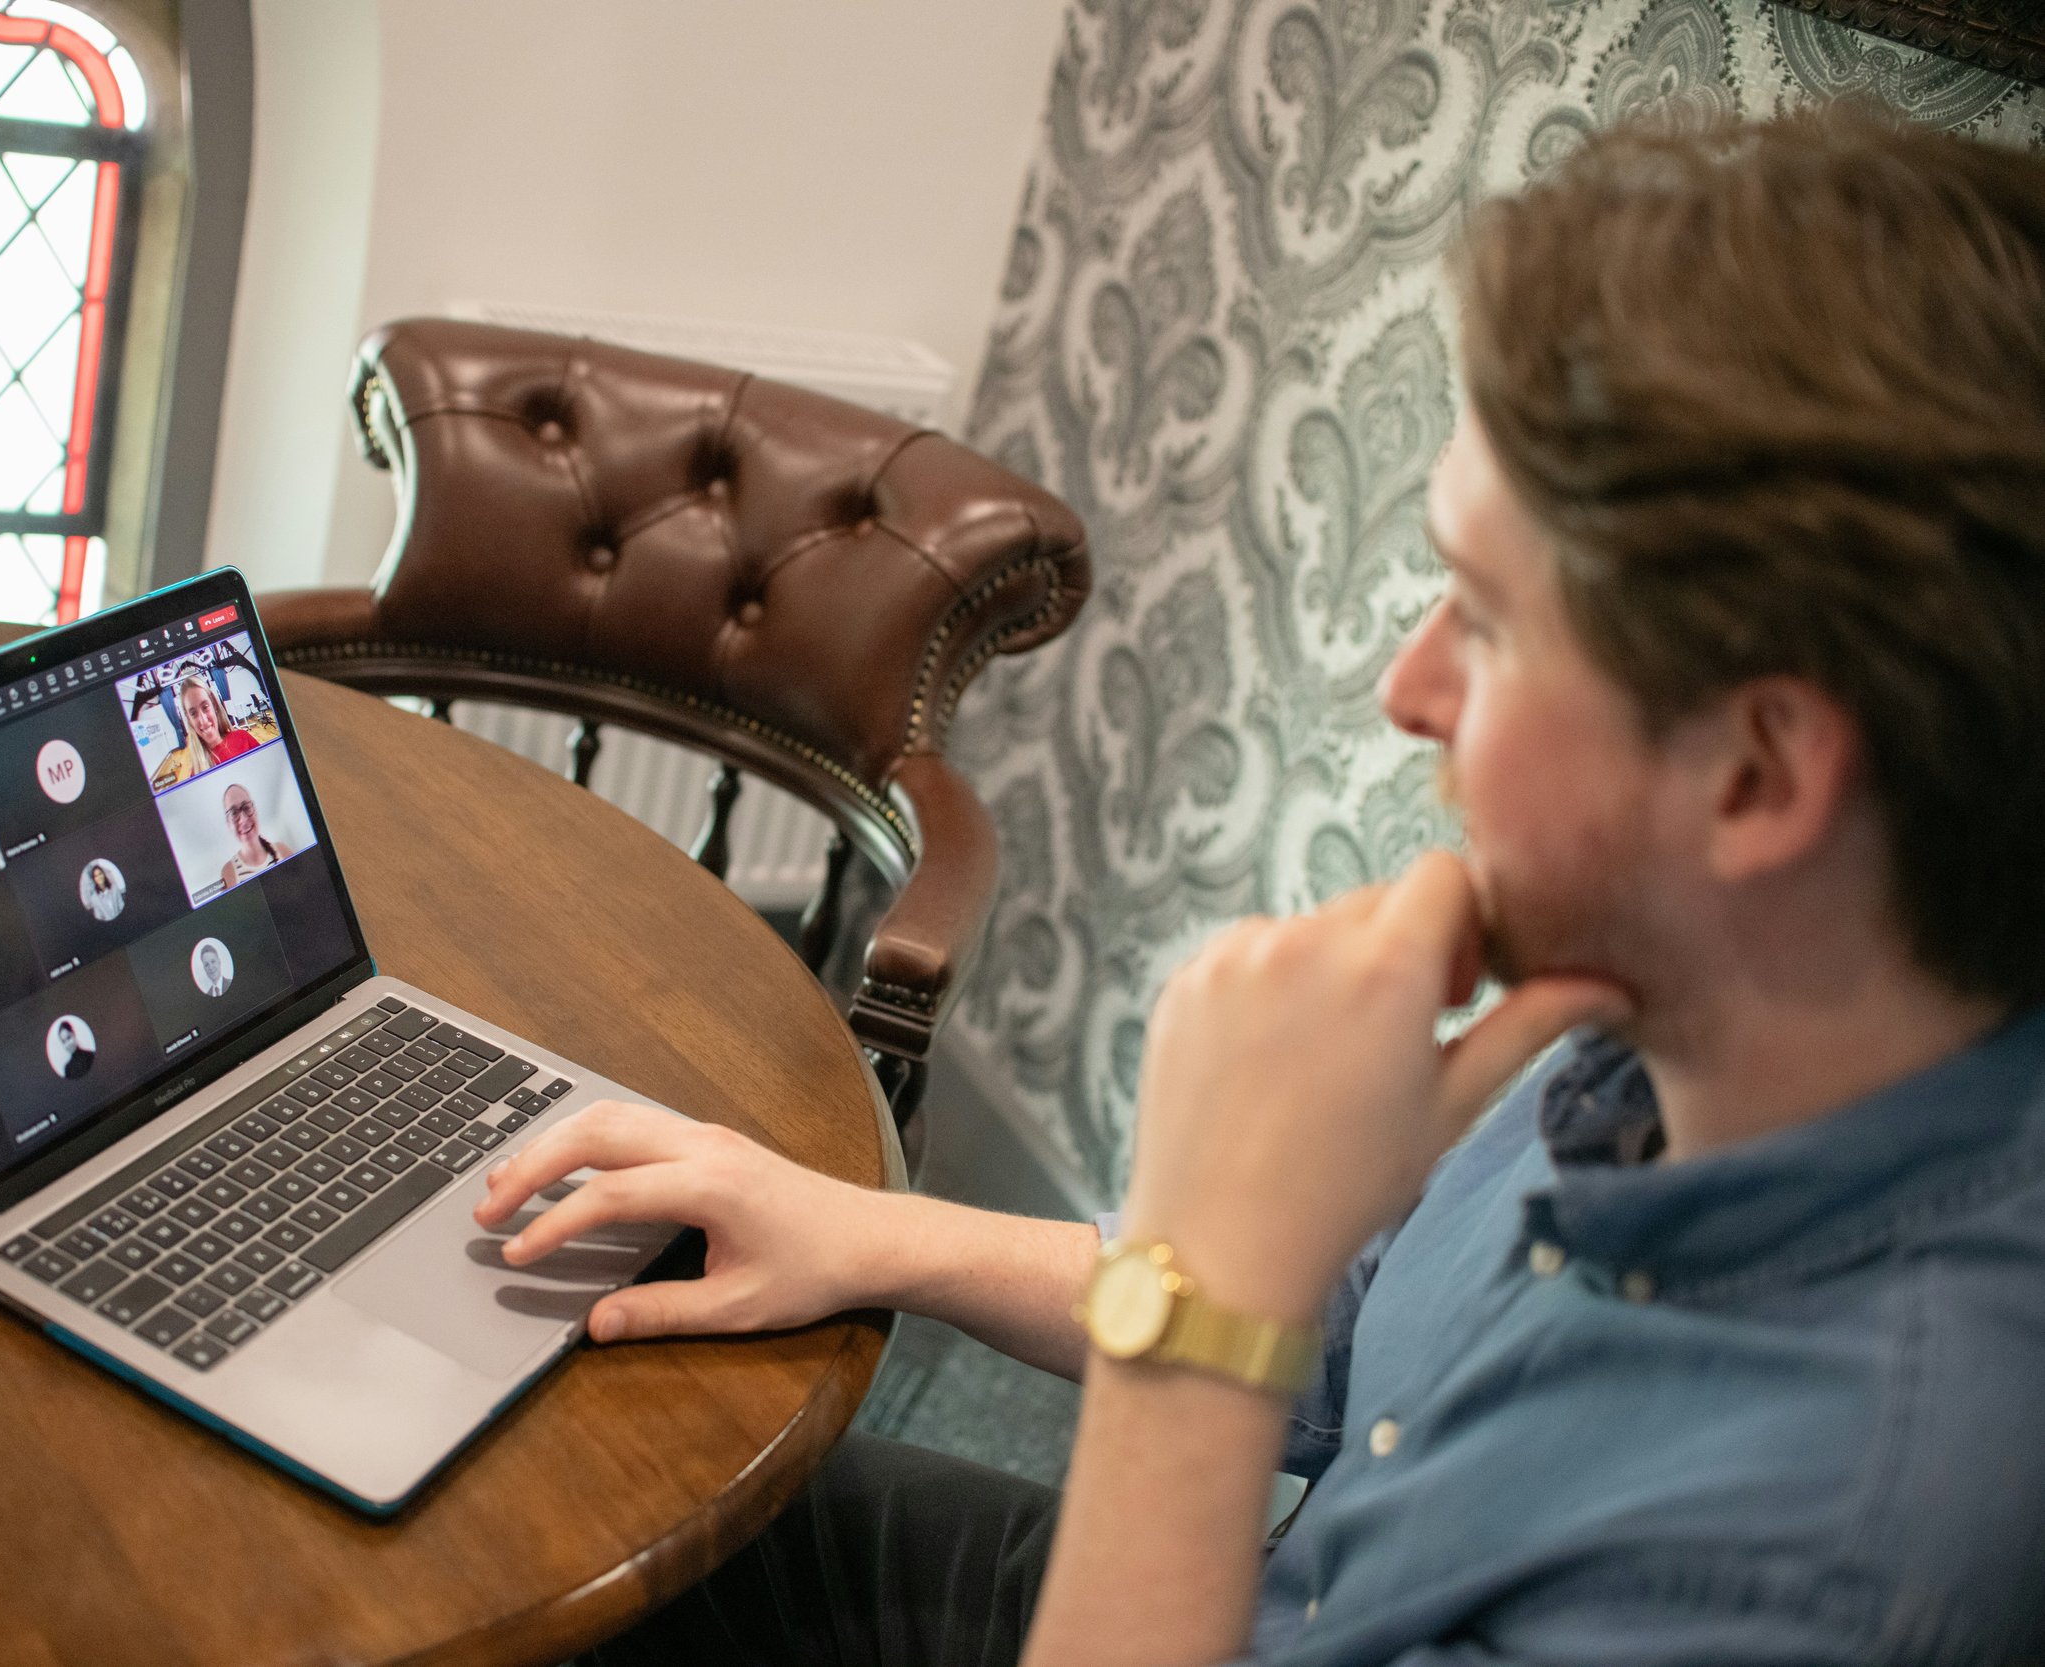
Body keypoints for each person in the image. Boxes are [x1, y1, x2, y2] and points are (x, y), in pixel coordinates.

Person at [477, 107, 2045, 1665]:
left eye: (1485, 623)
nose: (1410, 690)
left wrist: (1202, 1297)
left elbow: (1242, 1326)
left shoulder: (1815, 1571)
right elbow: (1340, 1328)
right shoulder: (1692, 1008)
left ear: (1760, 776)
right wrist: (870, 1228)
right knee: (582, 1521)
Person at [173, 672, 259, 781]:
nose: (203, 720)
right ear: (189, 720)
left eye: (205, 707)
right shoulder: (196, 773)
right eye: (193, 713)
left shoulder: (243, 738)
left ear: (214, 705)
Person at [218, 783, 293, 892]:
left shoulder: (282, 849)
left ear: (255, 810)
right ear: (228, 824)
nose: (243, 819)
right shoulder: (228, 872)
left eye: (246, 807)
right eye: (234, 813)